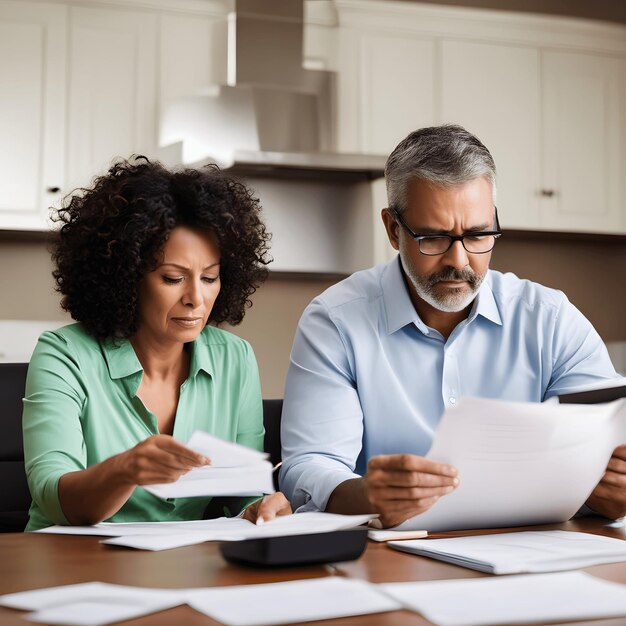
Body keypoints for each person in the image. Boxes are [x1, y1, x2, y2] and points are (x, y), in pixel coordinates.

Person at [279, 124, 624, 528]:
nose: (458, 260)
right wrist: (364, 495)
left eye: (478, 235)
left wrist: (612, 489)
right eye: (434, 237)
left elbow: (604, 439)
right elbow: (310, 463)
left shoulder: (551, 319)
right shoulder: (335, 322)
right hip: (391, 559)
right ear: (393, 229)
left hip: (532, 555)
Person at [23, 157, 290, 531]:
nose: (196, 298)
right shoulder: (64, 355)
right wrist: (124, 469)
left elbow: (244, 492)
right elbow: (53, 495)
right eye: (172, 278)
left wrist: (260, 507)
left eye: (210, 277)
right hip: (72, 562)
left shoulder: (235, 358)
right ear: (127, 276)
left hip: (180, 566)